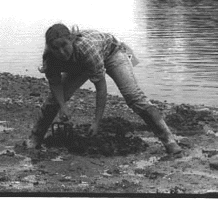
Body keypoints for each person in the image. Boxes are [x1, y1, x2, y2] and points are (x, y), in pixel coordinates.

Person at [27, 23, 182, 155]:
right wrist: (63, 106)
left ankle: (169, 141)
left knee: (133, 96)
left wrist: (96, 122)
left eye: (64, 45)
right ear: (50, 48)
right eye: (56, 48)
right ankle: (34, 139)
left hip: (113, 52)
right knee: (53, 101)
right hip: (81, 62)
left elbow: (101, 88)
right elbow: (55, 84)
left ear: (71, 40)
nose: (61, 52)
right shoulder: (50, 57)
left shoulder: (87, 50)